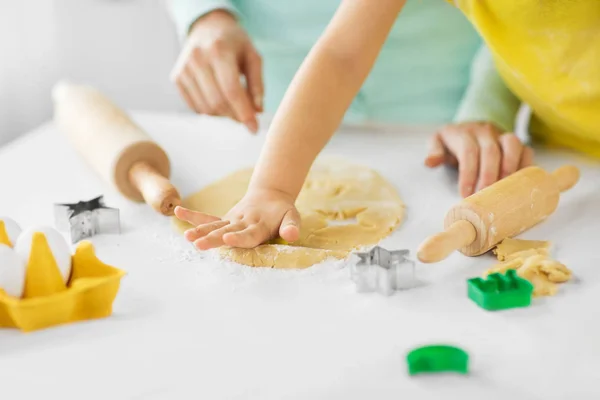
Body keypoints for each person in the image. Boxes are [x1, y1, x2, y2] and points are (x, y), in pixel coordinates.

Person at [168, 0, 534, 250]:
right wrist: (272, 187)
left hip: (433, 119)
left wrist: (486, 107)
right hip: (267, 109)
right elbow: (341, 57)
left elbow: (518, 19)